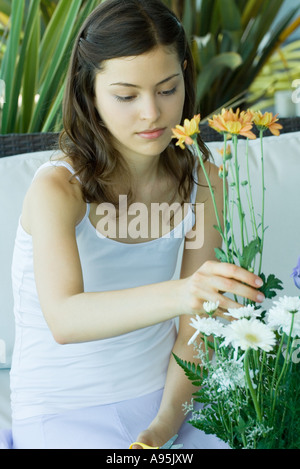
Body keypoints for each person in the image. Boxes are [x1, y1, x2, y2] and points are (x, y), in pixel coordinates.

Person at [10, 0, 265, 450]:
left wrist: (165, 424)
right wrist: (186, 293)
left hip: (171, 400)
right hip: (65, 408)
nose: (153, 113)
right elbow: (65, 319)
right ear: (90, 92)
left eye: (168, 89)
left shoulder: (203, 178)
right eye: (126, 96)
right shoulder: (58, 189)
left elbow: (195, 329)